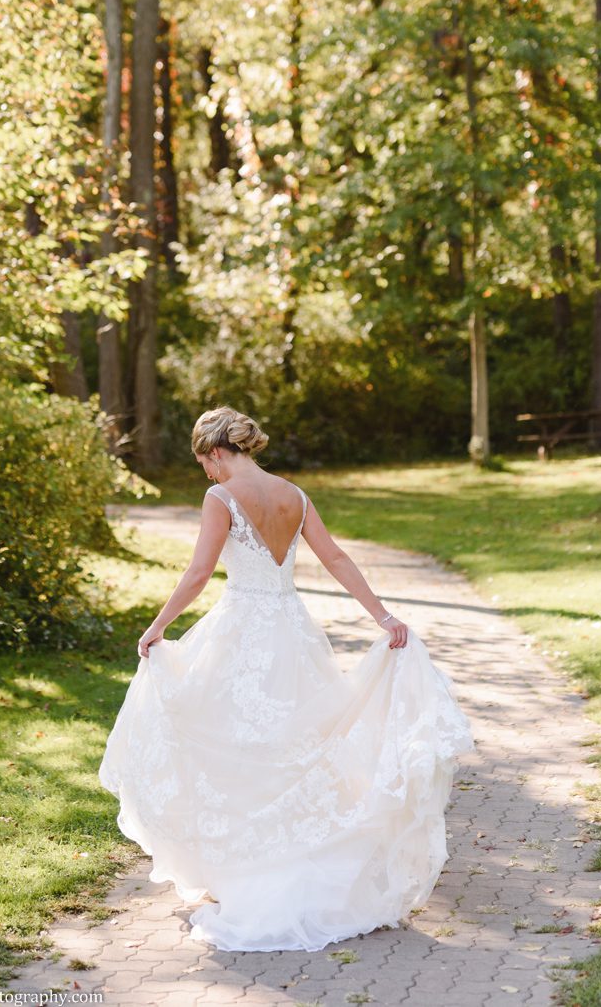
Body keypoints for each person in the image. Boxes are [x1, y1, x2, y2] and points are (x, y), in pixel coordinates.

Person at [98, 406, 475, 953]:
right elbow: (337, 559)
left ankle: (249, 871)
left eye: (204, 460)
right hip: (292, 631)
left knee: (235, 745)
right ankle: (290, 859)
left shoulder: (220, 498)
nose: (205, 471)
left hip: (241, 631)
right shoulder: (294, 495)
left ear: (218, 452)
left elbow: (200, 572)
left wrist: (157, 628)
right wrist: (384, 617)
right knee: (295, 745)